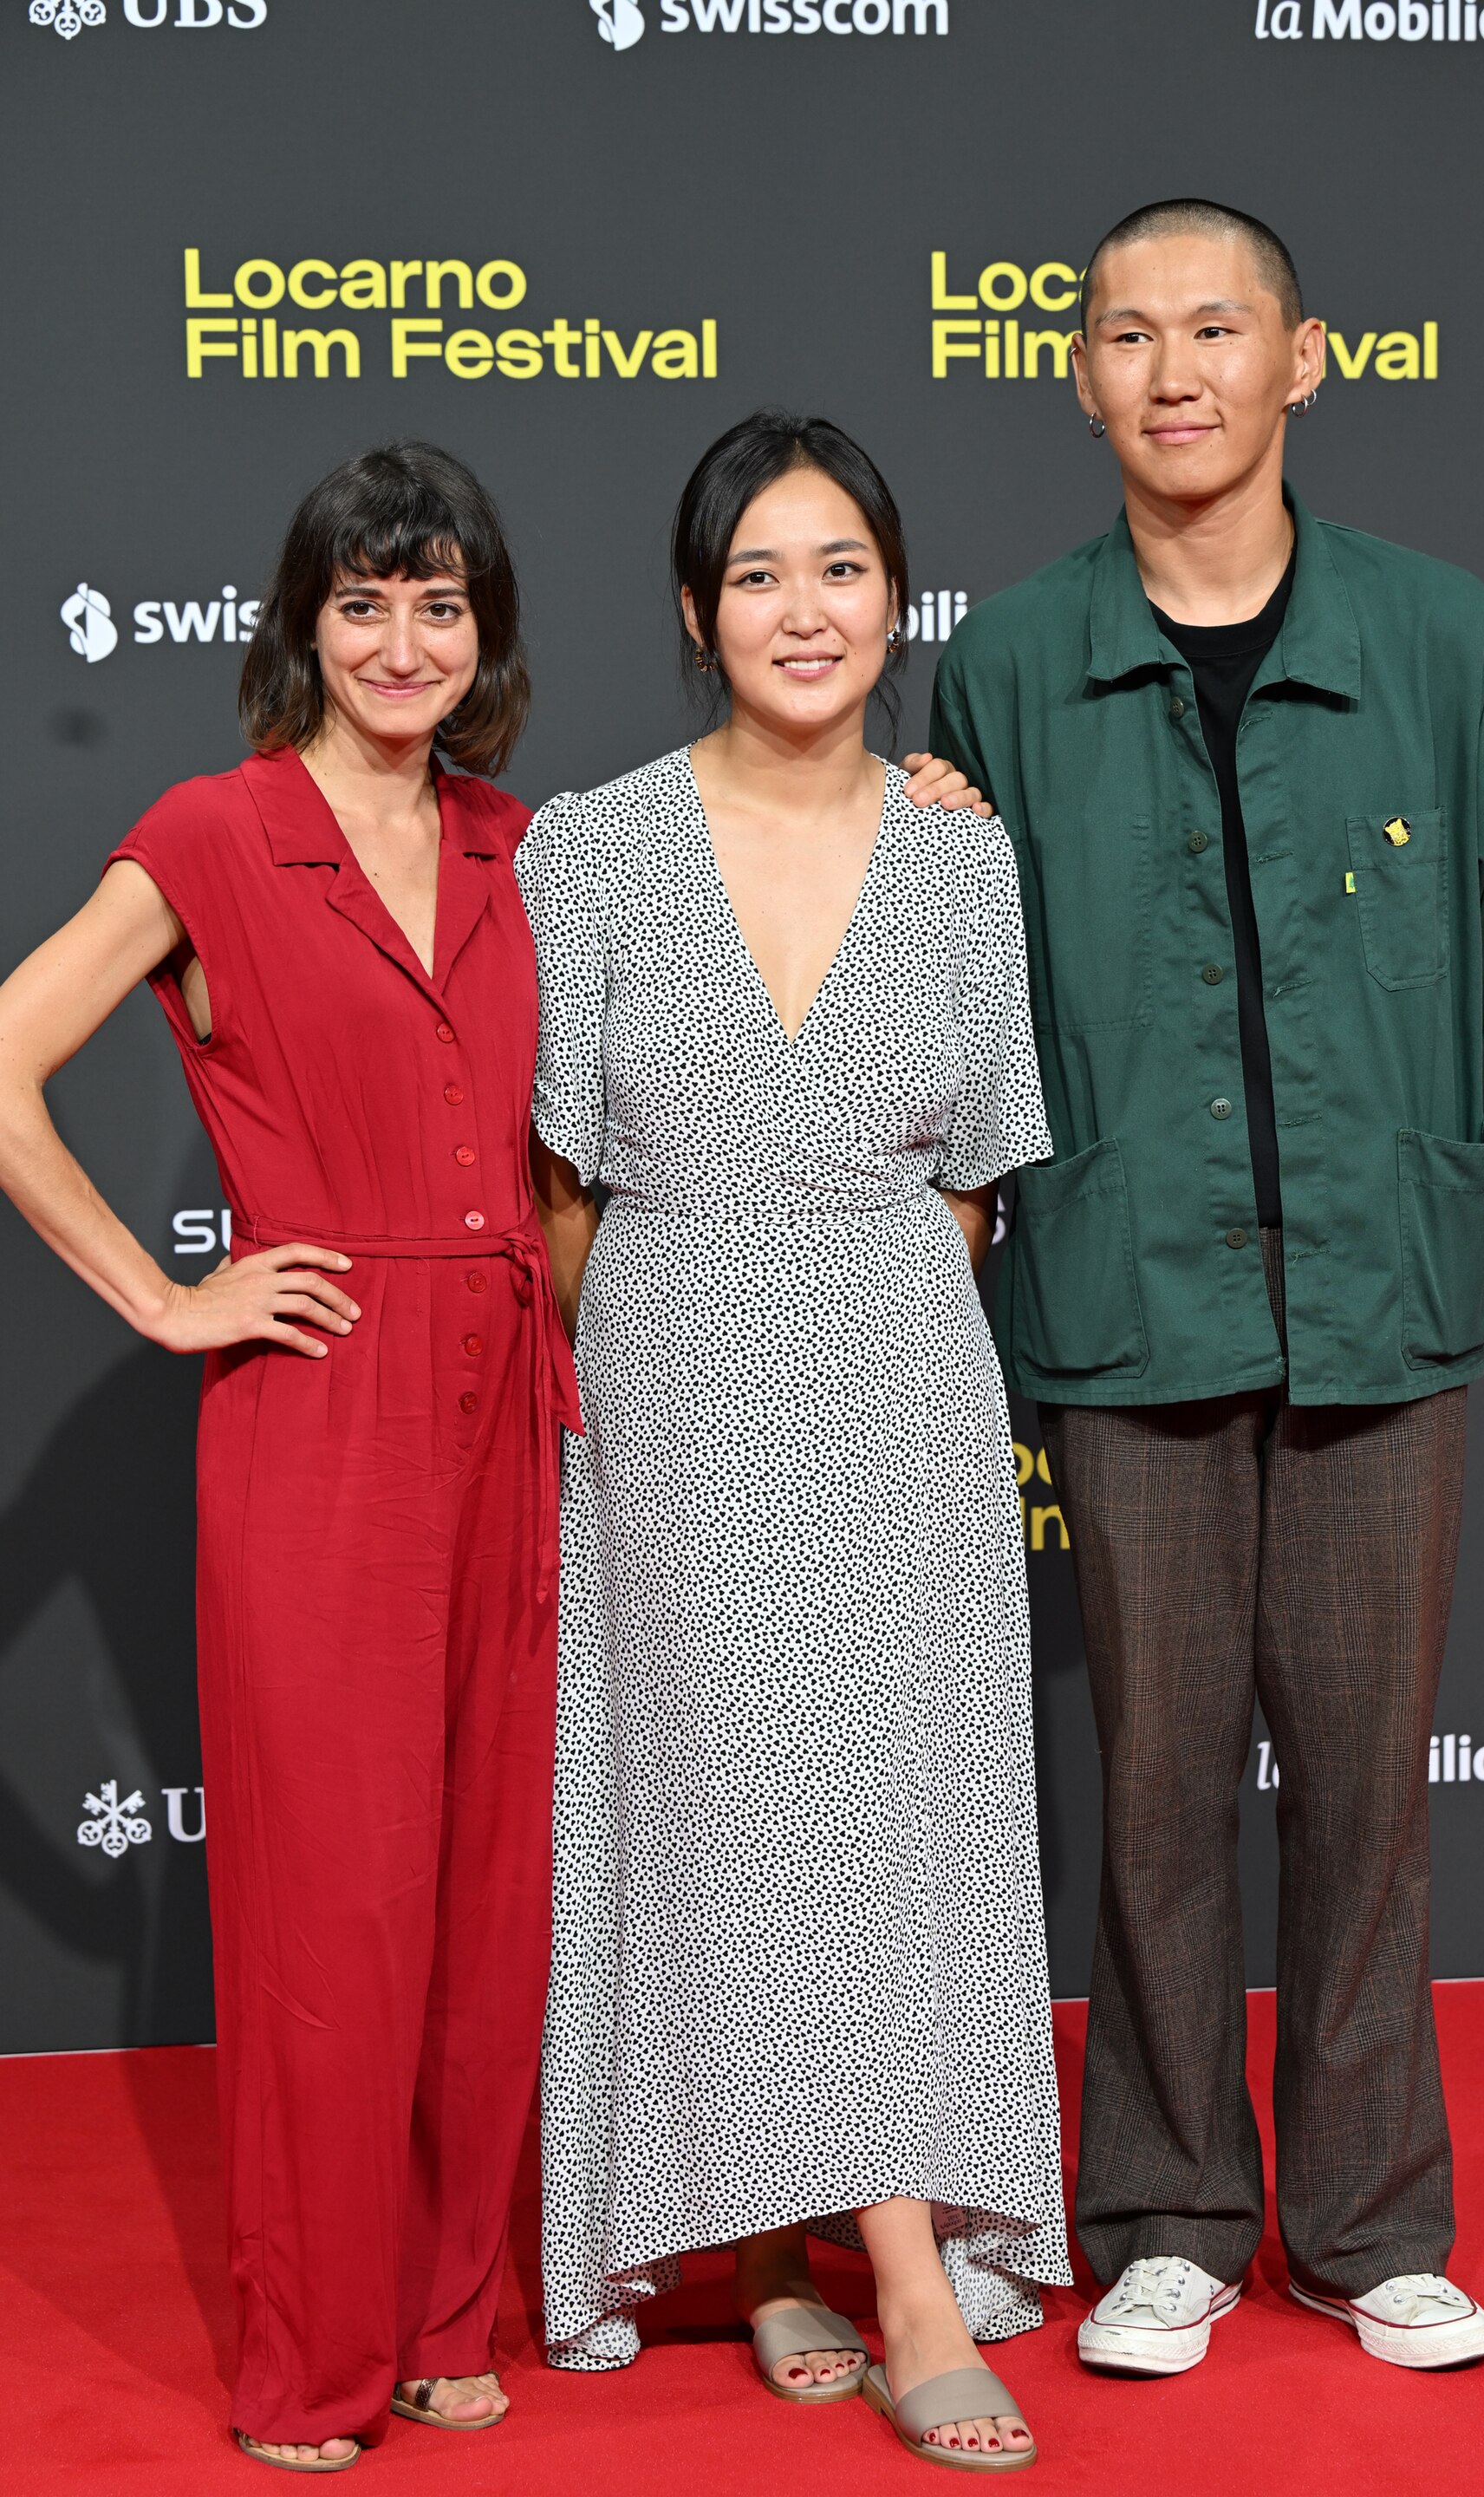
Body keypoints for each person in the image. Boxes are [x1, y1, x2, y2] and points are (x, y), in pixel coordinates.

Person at [928, 201, 1484, 2379]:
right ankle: (1172, 2212)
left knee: (1371, 1784)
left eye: (1219, 327)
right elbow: (966, 989)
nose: (1174, 367)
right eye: (1128, 333)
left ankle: (1374, 2225)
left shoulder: (1447, 636)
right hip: (1126, 1297)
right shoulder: (1008, 660)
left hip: (1380, 1297)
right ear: (1079, 376)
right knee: (1162, 1780)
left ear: (1307, 360)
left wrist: (1403, 1160)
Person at [0, 443, 577, 2471]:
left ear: (484, 630)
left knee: (490, 1887)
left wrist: (921, 797)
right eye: (364, 604)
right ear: (304, 629)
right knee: (337, 1910)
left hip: (515, 1400)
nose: (404, 642)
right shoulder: (217, 833)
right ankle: (311, 2365)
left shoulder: (527, 843)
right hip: (323, 1407)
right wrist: (168, 1301)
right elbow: (5, 1062)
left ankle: (440, 2315)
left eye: (441, 604)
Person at [517, 409, 1068, 2472]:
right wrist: (663, 1367)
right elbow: (563, 1183)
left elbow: (974, 1185)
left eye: (839, 566)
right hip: (670, 1375)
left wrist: (854, 1320)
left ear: (896, 597)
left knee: (897, 1828)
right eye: (758, 573)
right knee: (721, 1822)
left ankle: (909, 2260)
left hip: (901, 1384)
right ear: (695, 610)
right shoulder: (595, 845)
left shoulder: (962, 849)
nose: (803, 608)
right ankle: (761, 2241)